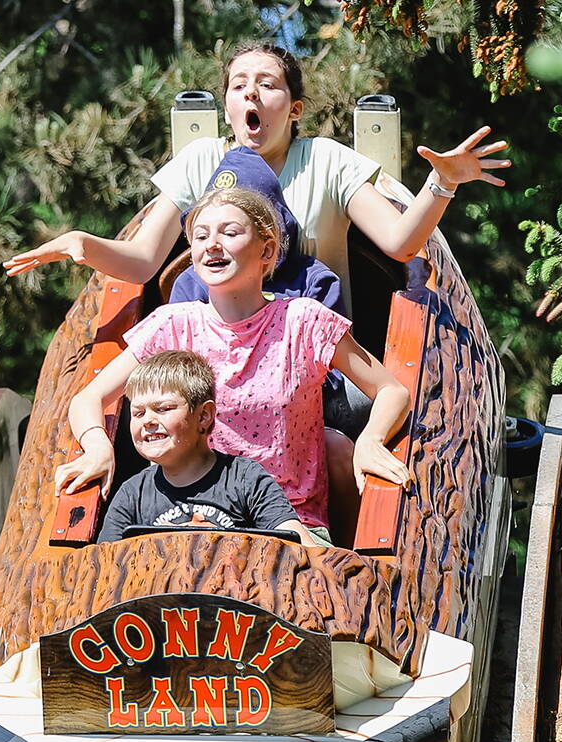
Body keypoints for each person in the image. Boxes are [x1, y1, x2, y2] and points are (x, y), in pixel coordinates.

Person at [4, 41, 509, 314]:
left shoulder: (327, 160)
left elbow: (399, 243)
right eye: (239, 85)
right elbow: (141, 264)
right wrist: (81, 243)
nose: (251, 94)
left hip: (312, 346)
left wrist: (442, 183)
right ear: (227, 106)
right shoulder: (203, 162)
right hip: (217, 346)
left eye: (267, 85)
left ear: (294, 108)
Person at [53, 186, 411, 544]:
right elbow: (88, 399)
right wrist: (98, 446)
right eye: (201, 235)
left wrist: (370, 440)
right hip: (180, 527)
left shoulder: (303, 322)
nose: (212, 244)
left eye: (229, 232)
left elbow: (391, 390)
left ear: (267, 250)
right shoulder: (173, 324)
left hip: (286, 531)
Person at [95, 350, 318, 546]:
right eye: (138, 413)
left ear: (203, 415)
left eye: (163, 409)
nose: (148, 421)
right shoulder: (133, 494)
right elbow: (104, 567)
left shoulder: (245, 479)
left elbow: (299, 548)